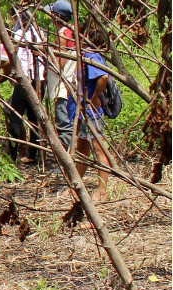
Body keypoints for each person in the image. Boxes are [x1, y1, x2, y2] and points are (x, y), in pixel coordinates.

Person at [0, 7, 45, 163]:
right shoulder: (39, 33)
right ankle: (33, 155)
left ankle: (13, 155)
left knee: (15, 119)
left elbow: (14, 63)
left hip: (25, 80)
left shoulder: (19, 35)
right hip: (40, 81)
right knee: (35, 119)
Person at [68, 29, 111, 201]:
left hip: (90, 111)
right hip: (80, 111)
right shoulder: (83, 56)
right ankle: (74, 187)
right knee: (83, 149)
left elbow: (104, 76)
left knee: (99, 149)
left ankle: (102, 190)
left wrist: (94, 98)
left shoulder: (90, 56)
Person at [42, 0, 76, 149]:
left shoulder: (64, 33)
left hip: (64, 86)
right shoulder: (72, 30)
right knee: (66, 120)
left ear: (59, 16)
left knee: (63, 122)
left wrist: (44, 56)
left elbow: (59, 63)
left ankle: (67, 158)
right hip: (68, 84)